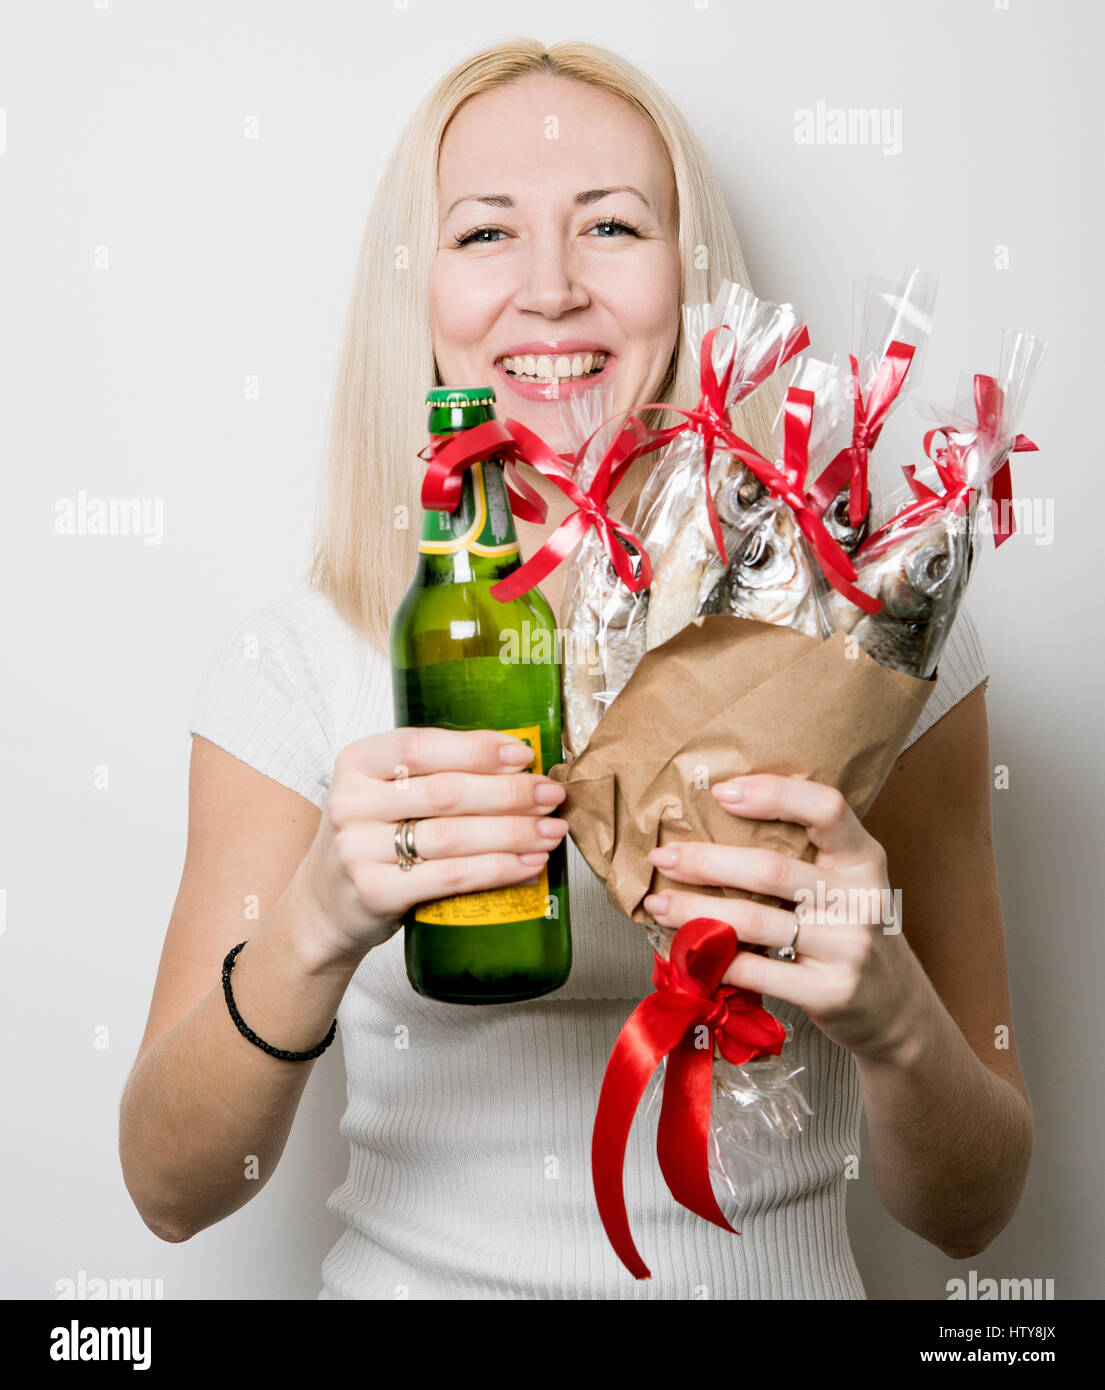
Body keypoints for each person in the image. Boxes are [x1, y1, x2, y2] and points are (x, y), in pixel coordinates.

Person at [118, 38, 1033, 1300]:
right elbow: (172, 1193)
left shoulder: (864, 638)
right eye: (485, 235)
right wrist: (314, 927)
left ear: (687, 272)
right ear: (419, 290)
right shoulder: (298, 658)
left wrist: (895, 1018)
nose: (548, 291)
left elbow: (974, 1215)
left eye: (609, 225)